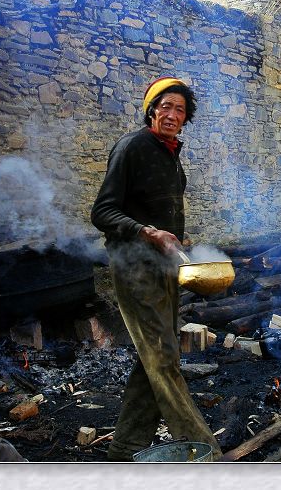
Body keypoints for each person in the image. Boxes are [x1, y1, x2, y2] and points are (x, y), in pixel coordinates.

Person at [91, 76, 223, 462]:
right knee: (163, 357)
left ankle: (125, 448)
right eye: (164, 106)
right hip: (133, 267)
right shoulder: (132, 147)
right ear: (151, 109)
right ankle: (206, 453)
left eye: (179, 109)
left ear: (186, 118)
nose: (171, 114)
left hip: (165, 268)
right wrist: (147, 232)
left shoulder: (171, 153)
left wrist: (177, 244)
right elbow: (102, 212)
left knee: (155, 355)